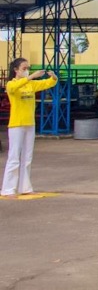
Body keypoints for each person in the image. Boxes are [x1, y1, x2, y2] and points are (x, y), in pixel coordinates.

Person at [1, 58, 57, 197]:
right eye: (24, 68)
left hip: (29, 123)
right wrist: (31, 77)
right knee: (14, 157)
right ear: (16, 70)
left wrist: (53, 77)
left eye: (28, 68)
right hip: (16, 124)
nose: (27, 71)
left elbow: (46, 84)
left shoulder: (30, 85)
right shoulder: (11, 84)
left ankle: (25, 187)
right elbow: (14, 88)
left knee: (27, 157)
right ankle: (8, 188)